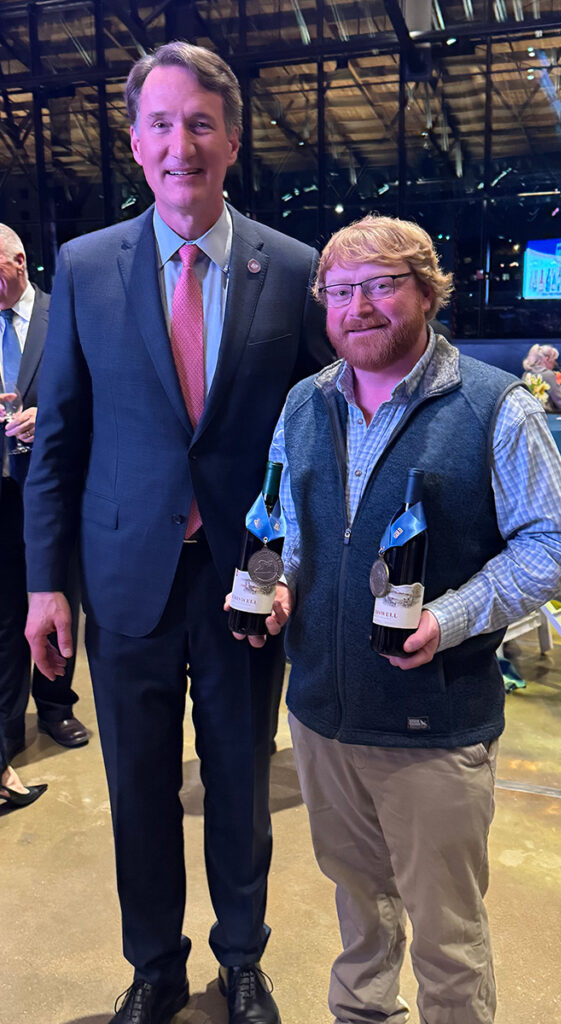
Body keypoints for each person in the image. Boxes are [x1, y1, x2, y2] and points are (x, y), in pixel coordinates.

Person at [23, 41, 329, 1024]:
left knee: (240, 781)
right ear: (135, 140)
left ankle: (243, 957)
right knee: (140, 786)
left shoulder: (291, 269)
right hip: (122, 578)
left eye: (200, 122)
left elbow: (317, 441)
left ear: (231, 140)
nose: (180, 143)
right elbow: (59, 436)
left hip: (244, 580)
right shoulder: (85, 266)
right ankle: (154, 962)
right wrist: (44, 583)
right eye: (161, 123)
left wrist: (299, 569)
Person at [240, 215, 561, 1024]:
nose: (359, 306)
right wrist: (273, 586)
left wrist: (453, 617)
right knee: (358, 915)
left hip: (435, 727)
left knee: (447, 940)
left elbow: (556, 541)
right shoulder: (304, 403)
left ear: (428, 293)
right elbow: (284, 521)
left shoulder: (495, 408)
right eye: (342, 291)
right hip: (323, 716)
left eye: (383, 285)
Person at [0, 224, 88, 761]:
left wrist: (50, 418)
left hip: (53, 487)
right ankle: (8, 722)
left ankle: (55, 705)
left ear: (19, 261)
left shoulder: (66, 314)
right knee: (6, 610)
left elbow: (99, 393)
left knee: (57, 594)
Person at [522, 342, 561, 413]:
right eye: (554, 359)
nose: (556, 363)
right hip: (547, 415)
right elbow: (560, 402)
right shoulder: (548, 374)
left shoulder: (526, 374)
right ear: (547, 359)